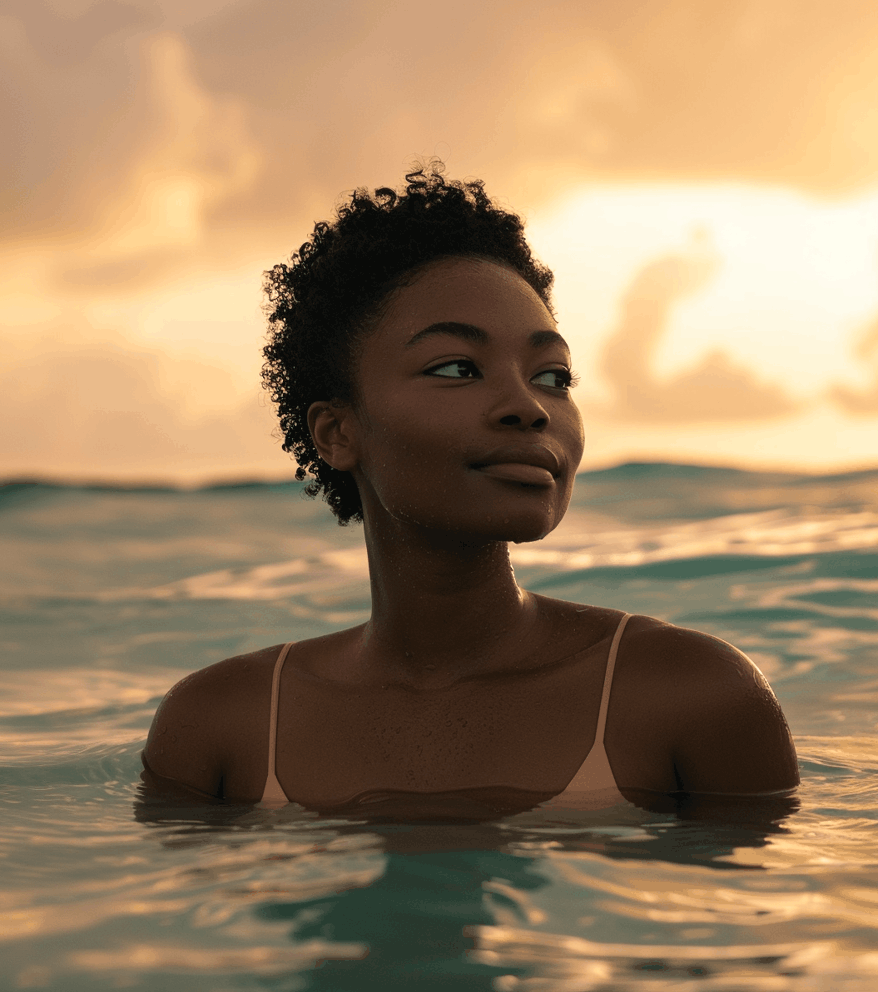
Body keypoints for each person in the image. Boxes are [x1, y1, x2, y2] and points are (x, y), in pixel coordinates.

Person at [141, 164, 798, 817]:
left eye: (553, 376)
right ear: (337, 431)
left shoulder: (694, 696)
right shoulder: (222, 726)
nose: (528, 406)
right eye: (457, 368)